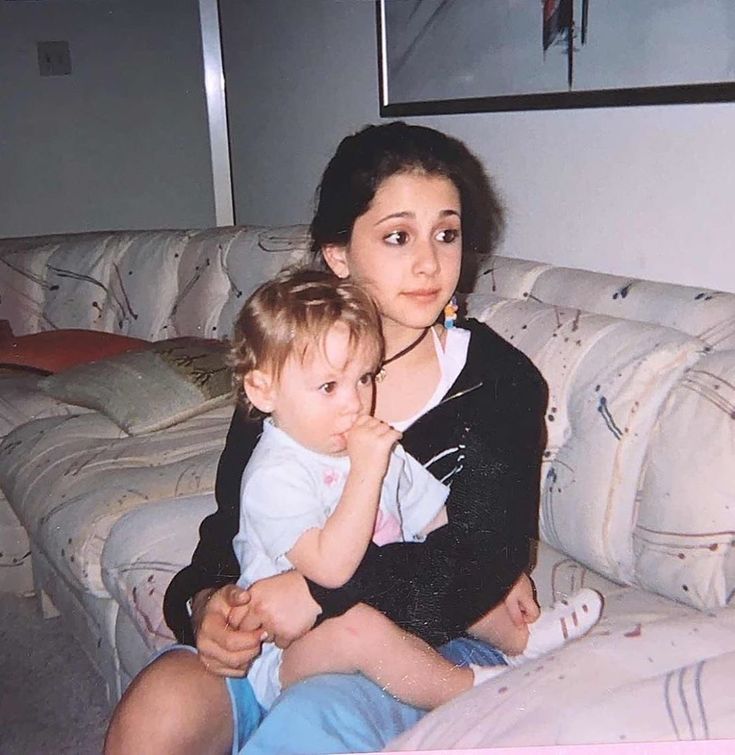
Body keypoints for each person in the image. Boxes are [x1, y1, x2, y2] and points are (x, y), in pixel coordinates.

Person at [105, 121, 599, 755]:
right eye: (398, 236)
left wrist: (315, 589)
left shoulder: (499, 383)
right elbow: (235, 519)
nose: (429, 263)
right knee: (152, 716)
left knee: (305, 728)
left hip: (421, 636)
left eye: (446, 234)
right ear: (339, 255)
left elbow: (482, 558)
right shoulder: (293, 368)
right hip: (276, 643)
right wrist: (204, 605)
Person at [230, 268, 602, 713]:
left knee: (442, 579)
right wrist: (367, 470)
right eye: (328, 386)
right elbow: (331, 570)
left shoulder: (362, 439)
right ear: (262, 389)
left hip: (378, 595)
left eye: (364, 379)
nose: (353, 403)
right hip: (289, 647)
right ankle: (467, 688)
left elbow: (435, 514)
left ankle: (522, 639)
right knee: (360, 630)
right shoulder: (274, 474)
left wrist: (496, 575)